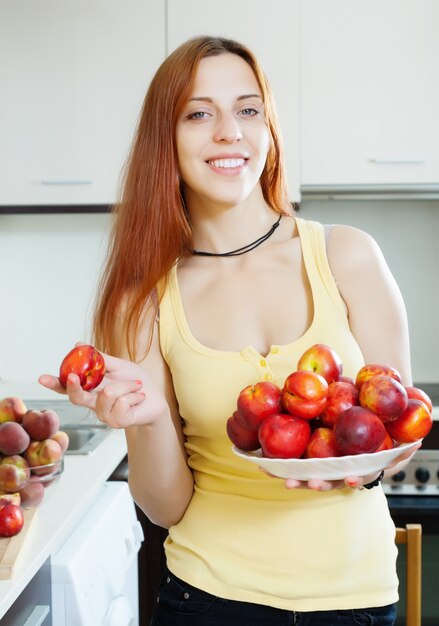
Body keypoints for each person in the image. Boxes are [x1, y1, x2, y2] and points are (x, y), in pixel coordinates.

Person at [39, 36, 420, 626]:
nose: (229, 132)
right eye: (199, 113)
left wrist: (354, 463)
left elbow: (395, 436)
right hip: (207, 600)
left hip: (356, 601)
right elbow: (166, 507)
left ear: (268, 129)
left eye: (248, 109)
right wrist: (152, 418)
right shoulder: (143, 302)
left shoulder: (346, 257)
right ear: (164, 140)